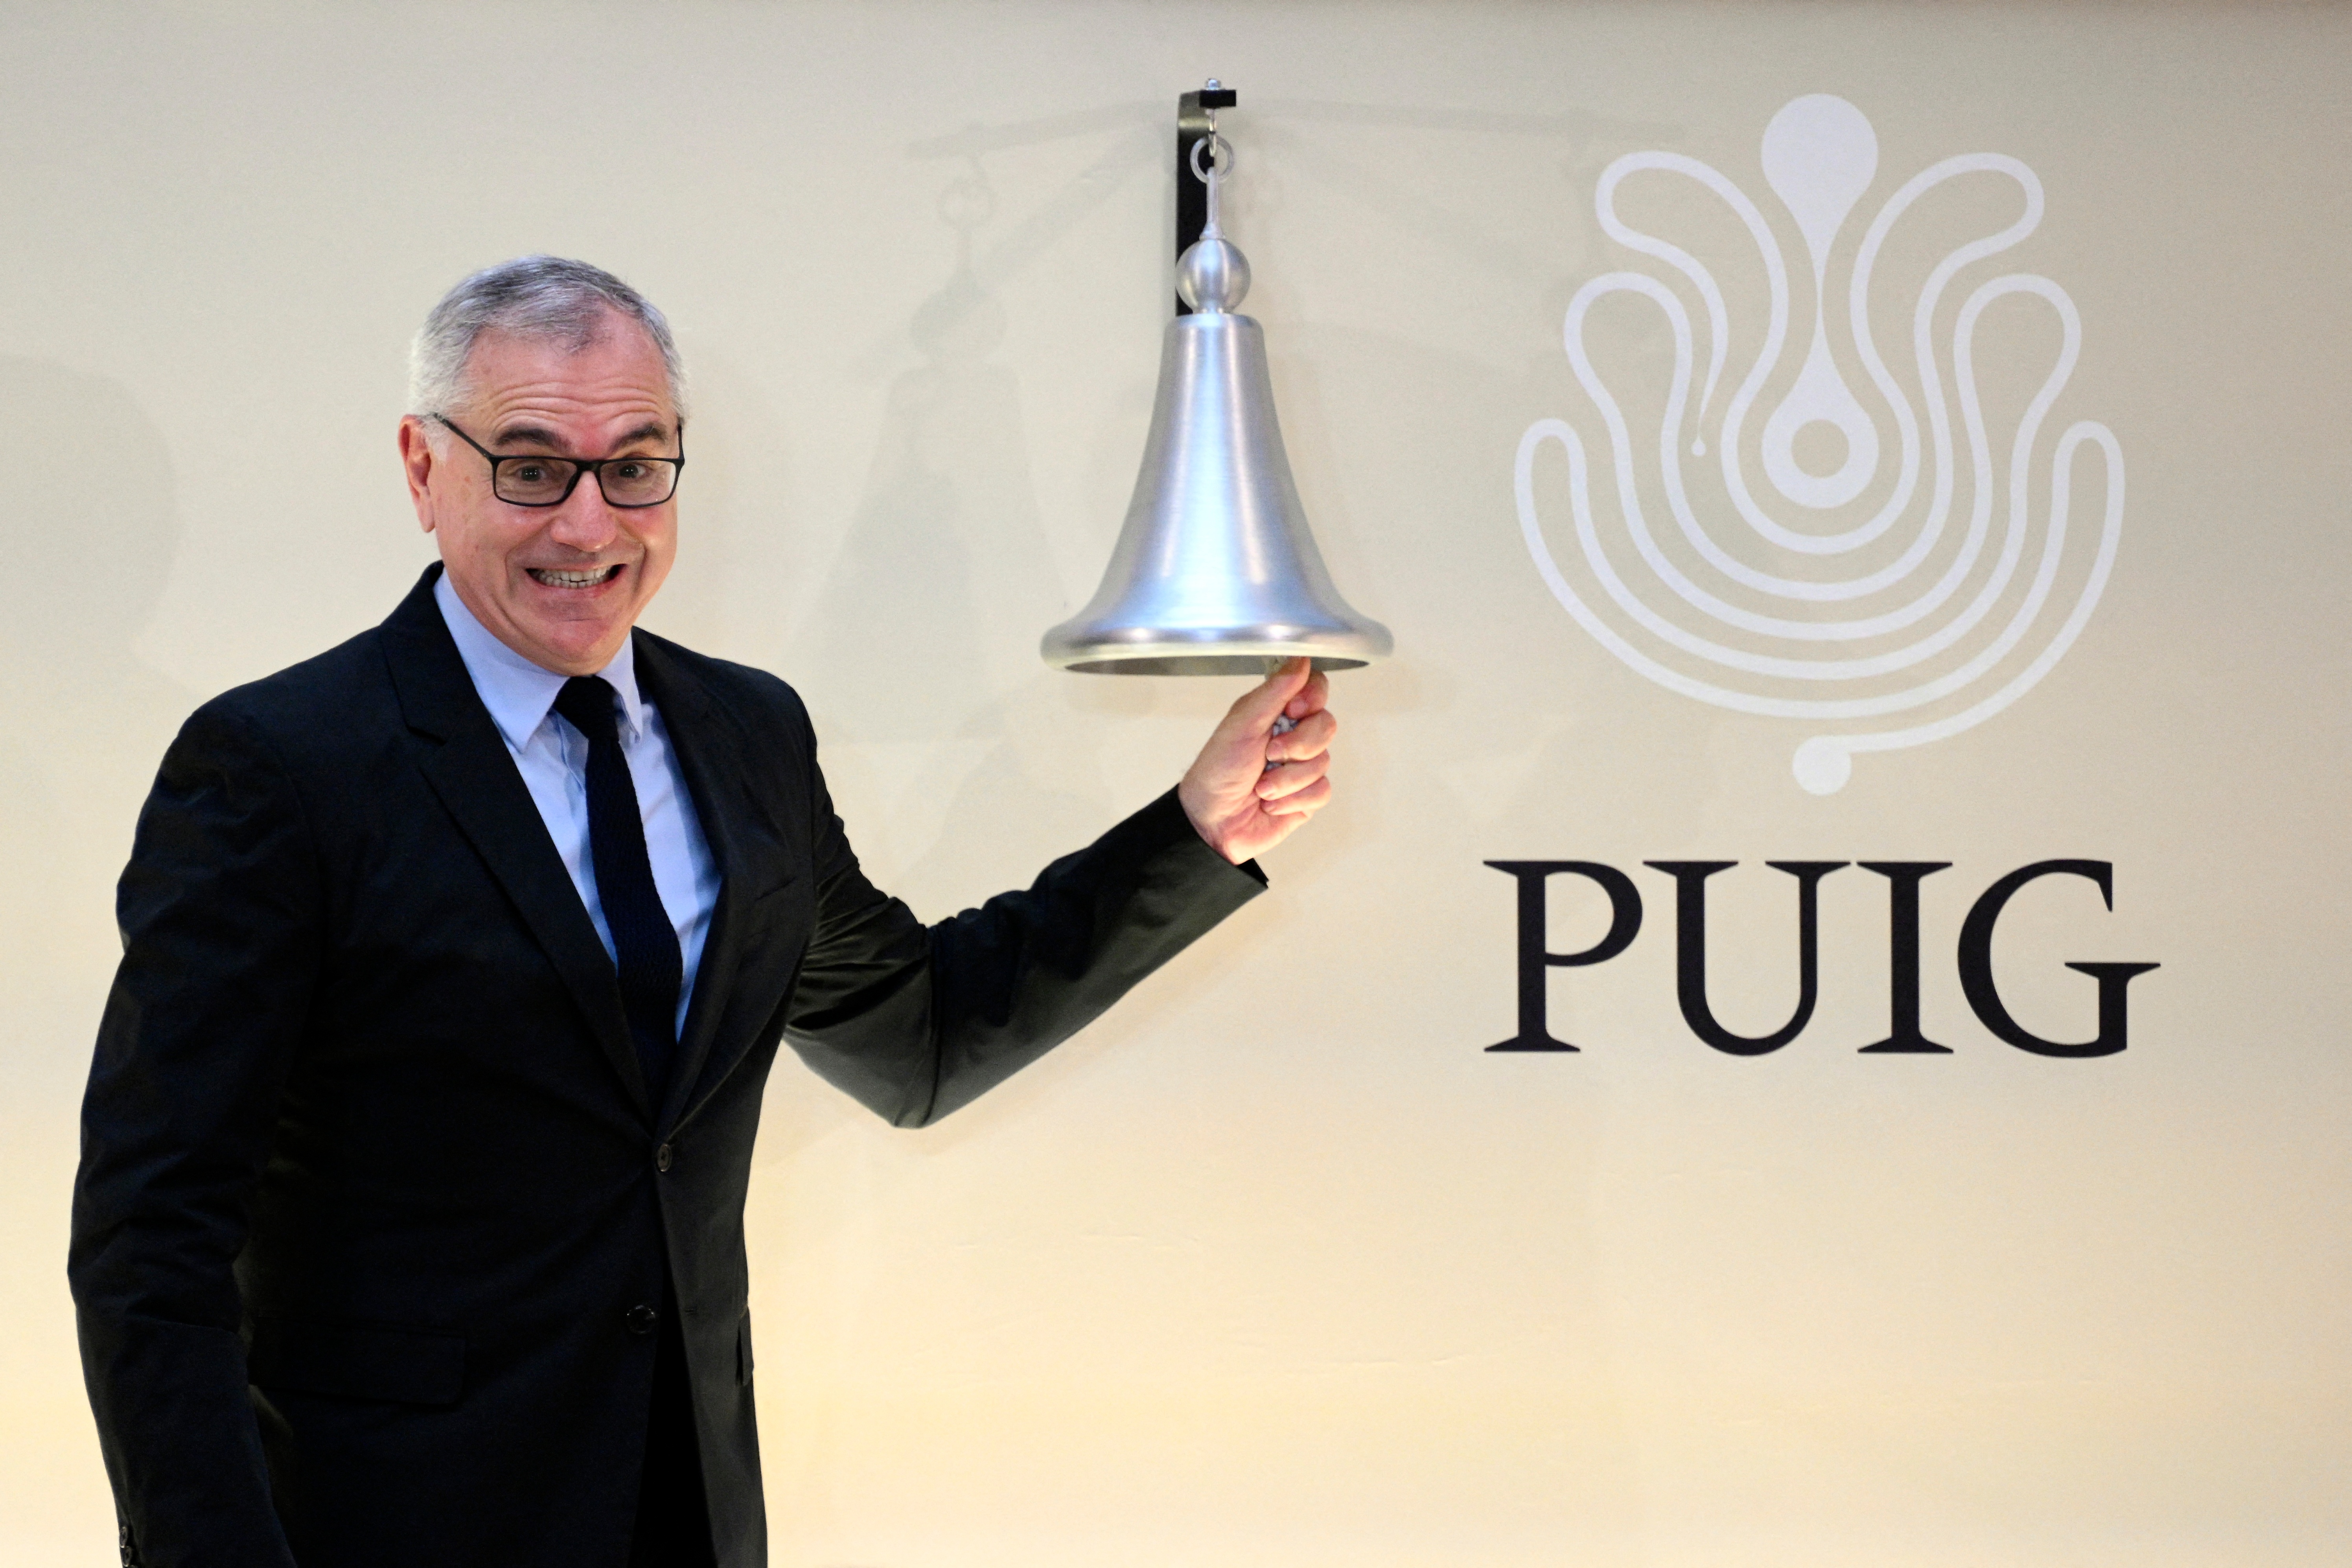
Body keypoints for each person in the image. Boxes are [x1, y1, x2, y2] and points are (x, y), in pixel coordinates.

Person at [68, 256, 1338, 1568]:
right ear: (422, 468)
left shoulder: (750, 735)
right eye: (528, 464)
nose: (588, 522)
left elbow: (920, 1038)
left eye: (635, 463)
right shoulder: (280, 766)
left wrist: (1195, 833)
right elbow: (150, 1244)